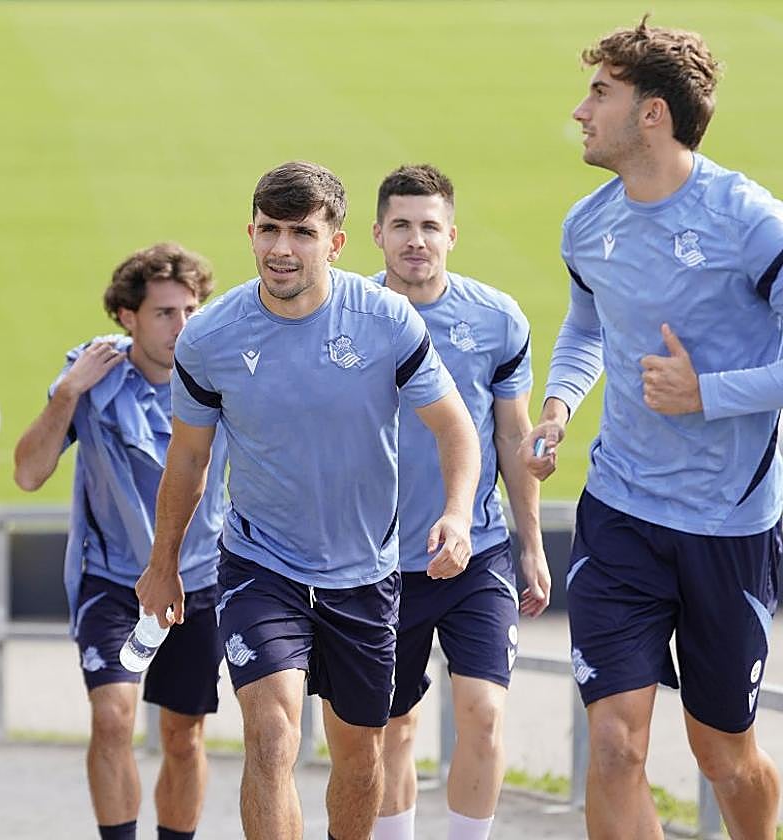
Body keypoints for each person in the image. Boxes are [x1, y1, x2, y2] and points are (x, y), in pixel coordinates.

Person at [136, 161, 482, 840]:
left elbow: (454, 427)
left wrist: (457, 513)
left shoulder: (386, 320)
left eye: (301, 232)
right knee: (270, 736)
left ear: (336, 242)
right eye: (269, 230)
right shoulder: (211, 338)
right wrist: (163, 561)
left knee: (359, 757)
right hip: (261, 565)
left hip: (365, 571)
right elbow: (189, 456)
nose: (281, 249)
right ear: (250, 232)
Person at [523, 17, 782, 840]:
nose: (579, 110)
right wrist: (561, 403)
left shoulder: (751, 223)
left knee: (725, 756)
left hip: (727, 528)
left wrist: (708, 392)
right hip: (621, 511)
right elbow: (587, 329)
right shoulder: (587, 225)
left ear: (653, 115)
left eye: (600, 93)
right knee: (613, 746)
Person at [13, 242, 226, 840]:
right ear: (127, 317)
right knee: (112, 717)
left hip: (198, 582)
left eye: (191, 310)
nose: (182, 326)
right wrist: (65, 395)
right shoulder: (93, 376)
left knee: (183, 737)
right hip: (113, 583)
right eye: (165, 312)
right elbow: (28, 474)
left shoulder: (220, 374)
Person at [367, 164, 551, 840]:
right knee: (393, 725)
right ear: (378, 233)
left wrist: (530, 545)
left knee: (483, 713)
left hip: (476, 552)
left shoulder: (496, 317)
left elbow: (512, 435)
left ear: (452, 234)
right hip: (377, 562)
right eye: (403, 226)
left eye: (430, 226)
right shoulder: (348, 313)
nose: (417, 240)